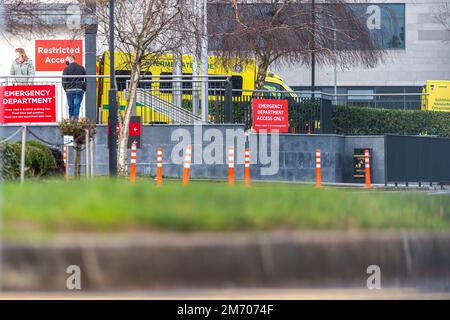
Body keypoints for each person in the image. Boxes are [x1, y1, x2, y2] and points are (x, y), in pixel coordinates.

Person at [62, 54, 86, 120]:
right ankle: (75, 120)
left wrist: (65, 89)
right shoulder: (81, 68)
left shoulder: (66, 69)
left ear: (71, 59)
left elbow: (63, 80)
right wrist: (83, 89)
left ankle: (71, 119)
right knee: (77, 106)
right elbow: (85, 79)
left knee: (71, 106)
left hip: (69, 90)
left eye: (66, 60)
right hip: (78, 89)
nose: (66, 61)